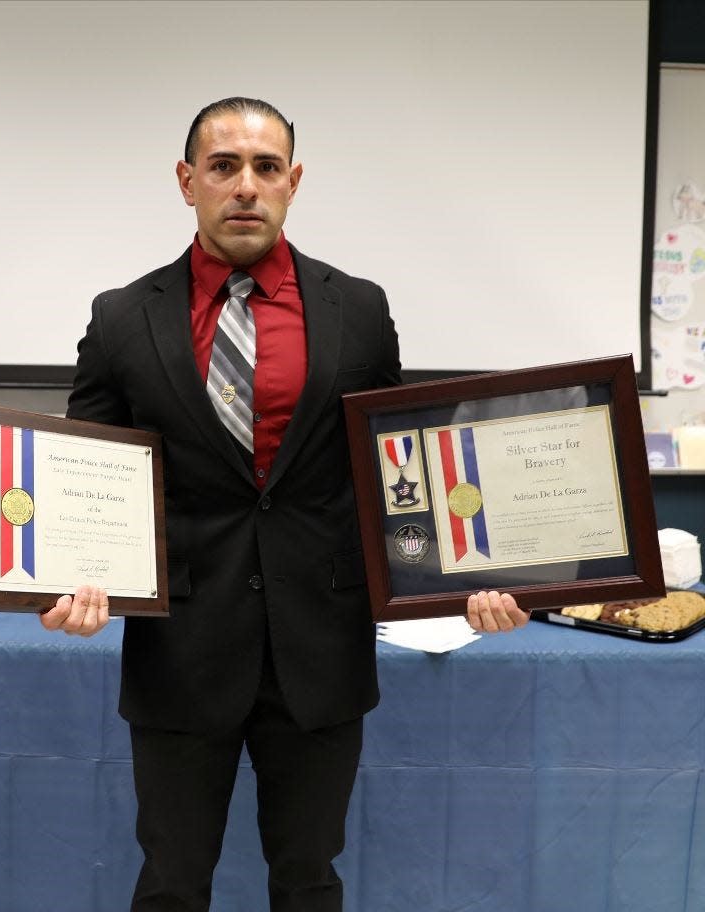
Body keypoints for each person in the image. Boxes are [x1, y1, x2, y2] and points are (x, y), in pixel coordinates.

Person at [39, 97, 530, 912]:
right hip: (183, 655)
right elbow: (78, 474)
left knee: (309, 882)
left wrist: (468, 577)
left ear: (293, 182)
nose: (245, 187)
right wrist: (67, 582)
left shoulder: (360, 310)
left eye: (266, 168)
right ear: (186, 180)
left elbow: (396, 476)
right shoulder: (123, 317)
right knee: (170, 885)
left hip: (320, 648)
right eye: (224, 166)